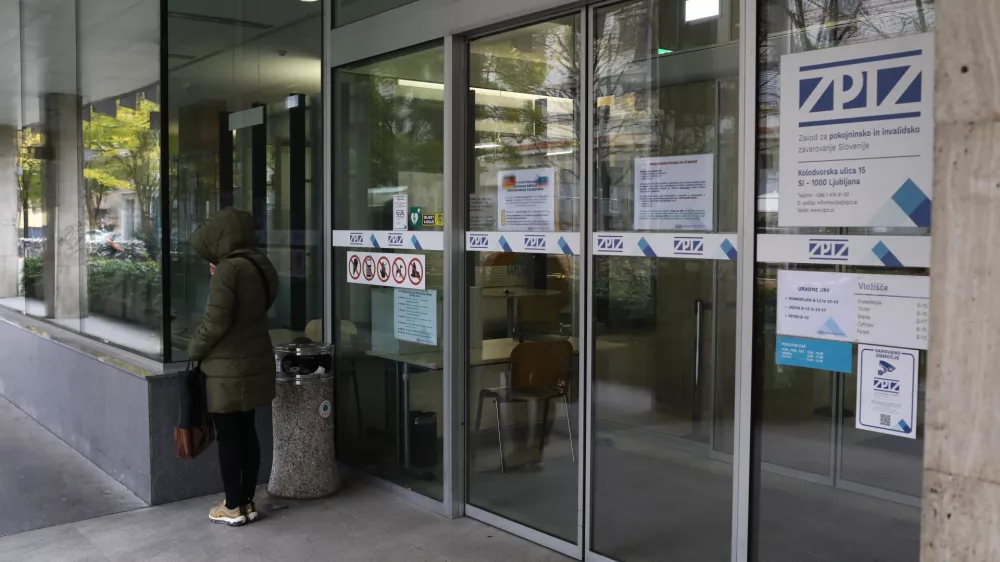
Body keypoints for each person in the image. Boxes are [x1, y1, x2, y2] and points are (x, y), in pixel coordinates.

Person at [187, 207, 279, 527]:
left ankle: (231, 506)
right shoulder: (259, 263)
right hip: (254, 361)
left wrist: (194, 348)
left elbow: (215, 322)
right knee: (247, 432)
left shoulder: (228, 269)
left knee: (228, 436)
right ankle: (247, 501)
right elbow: (254, 305)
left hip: (226, 370)